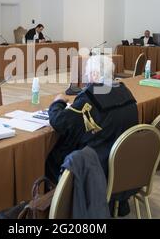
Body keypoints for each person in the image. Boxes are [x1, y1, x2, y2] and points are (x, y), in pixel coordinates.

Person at [46, 55, 139, 183]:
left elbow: (60, 122)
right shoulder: (125, 91)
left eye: (87, 73)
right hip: (124, 164)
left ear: (95, 74)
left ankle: (59, 201)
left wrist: (58, 103)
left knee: (52, 157)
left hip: (97, 167)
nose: (85, 76)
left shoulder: (90, 96)